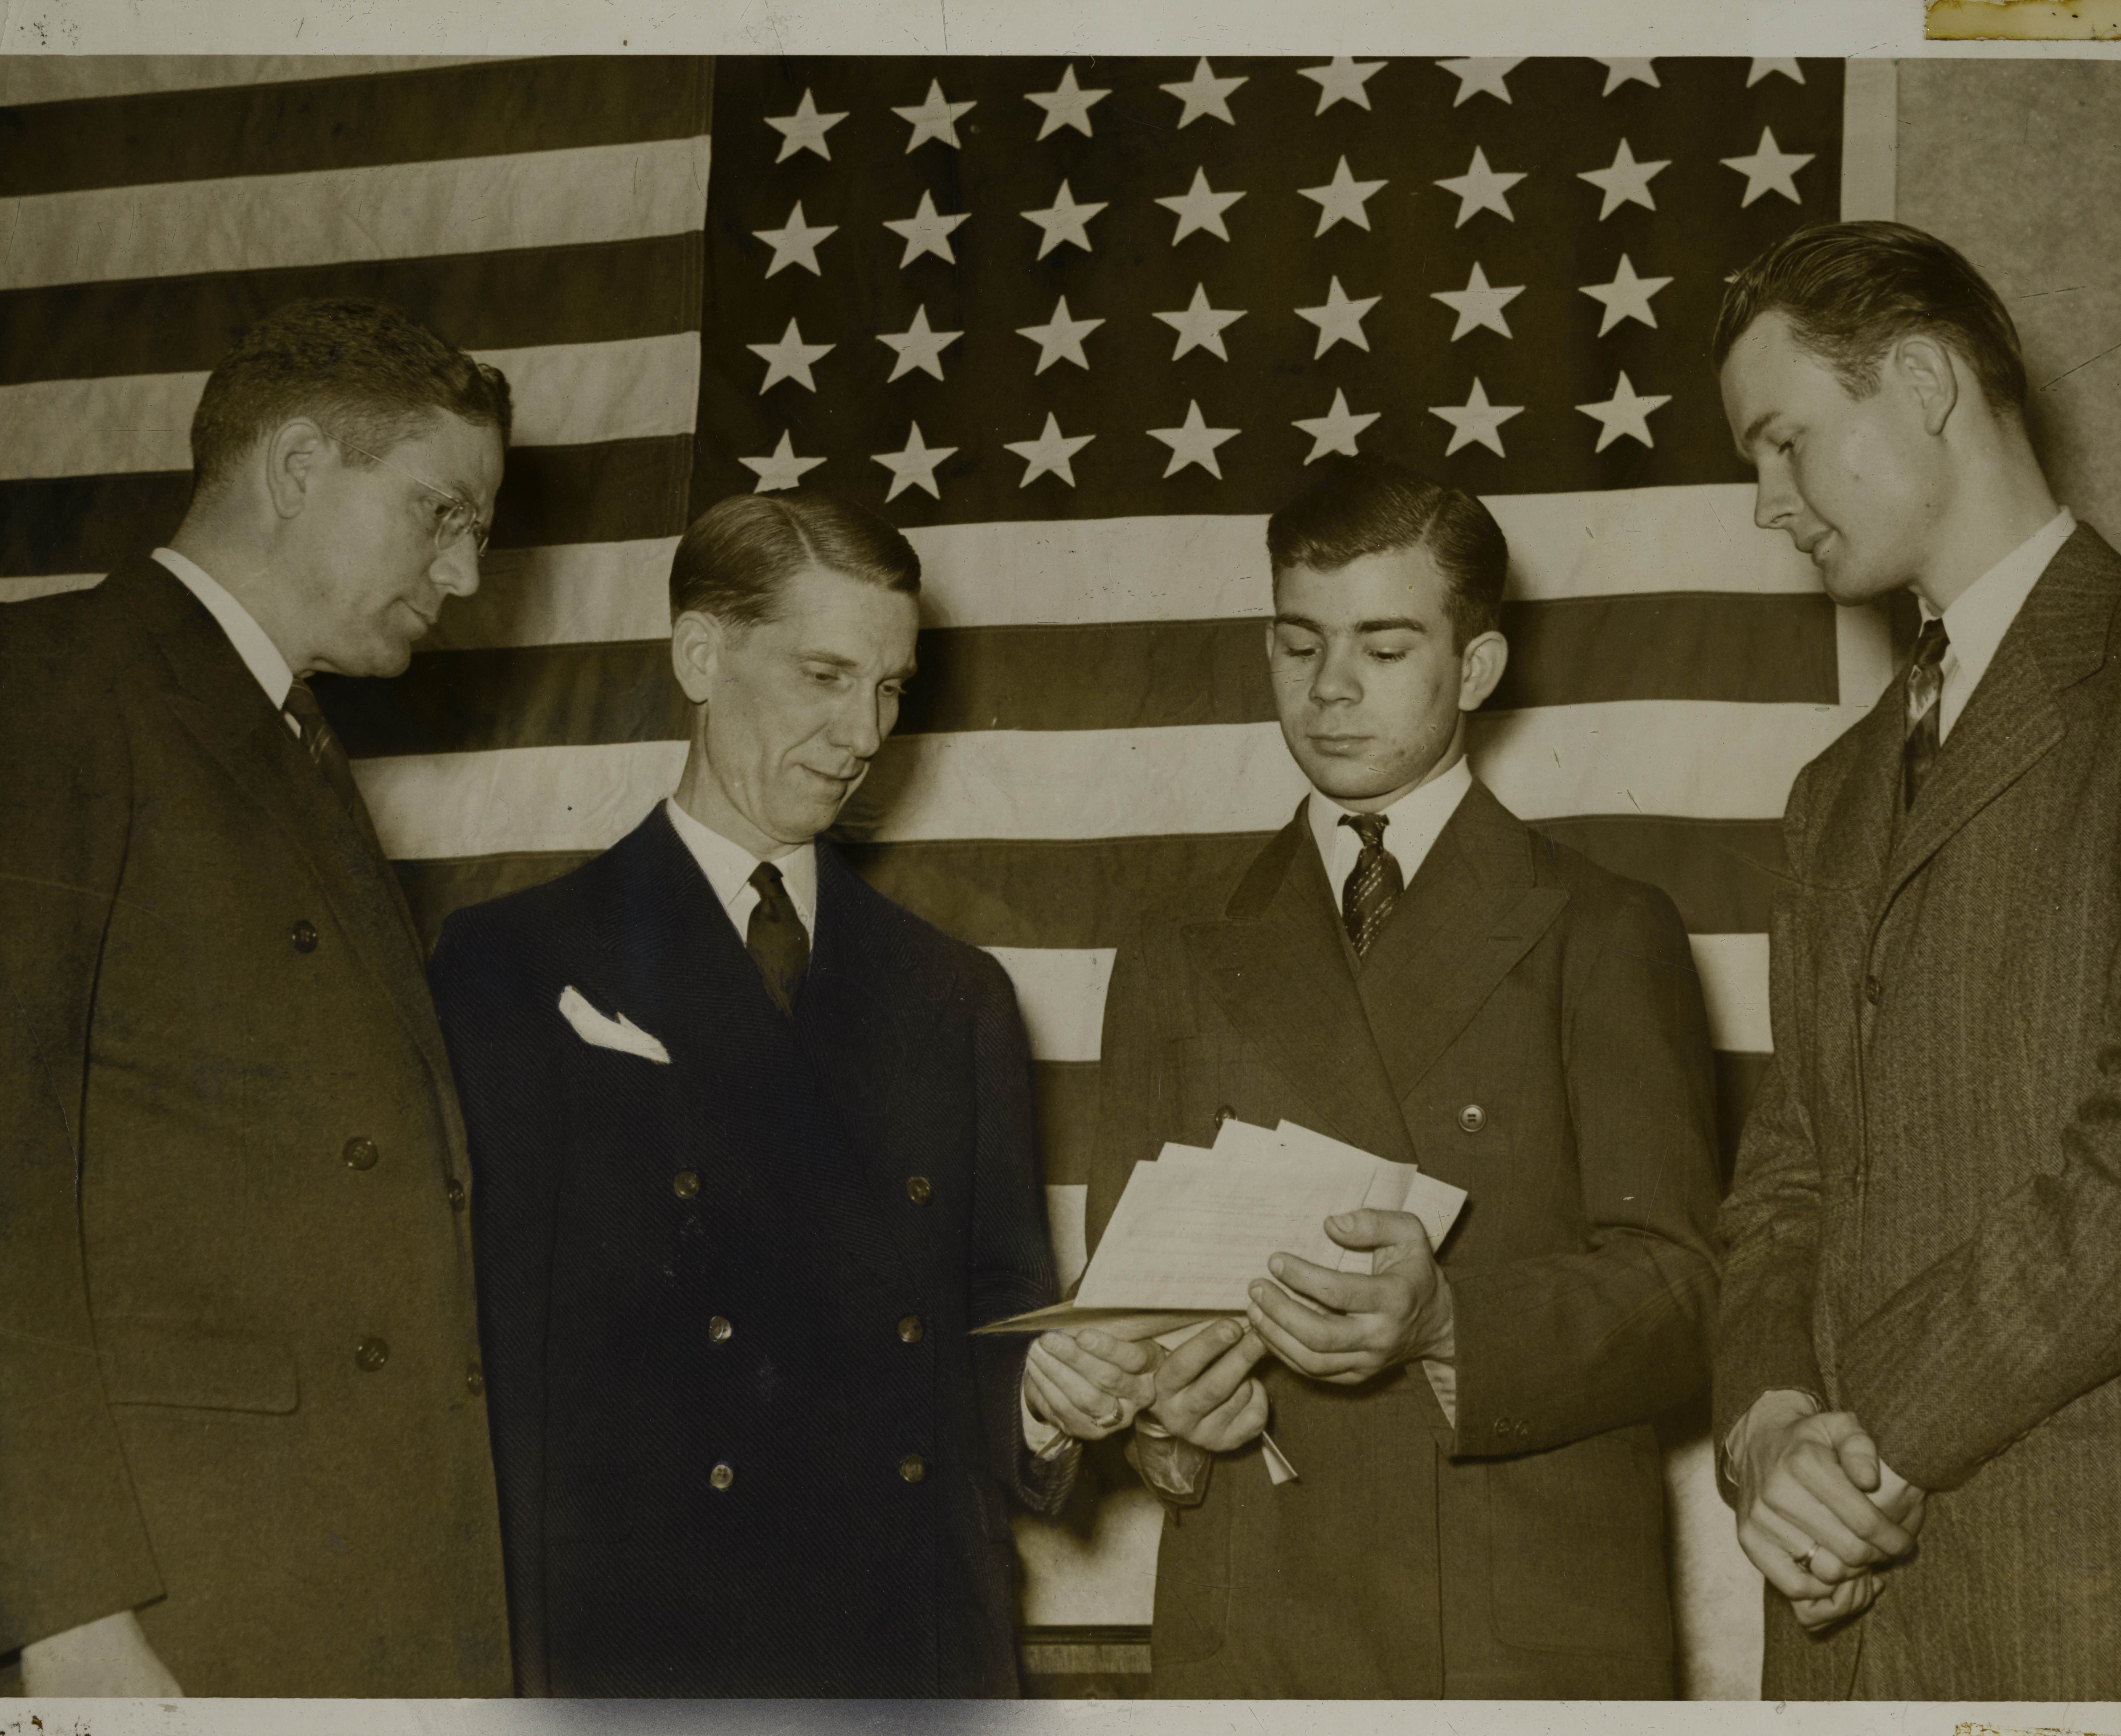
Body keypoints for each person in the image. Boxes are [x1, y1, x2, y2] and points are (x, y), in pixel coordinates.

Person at [1056, 456, 1723, 1697]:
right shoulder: (1174, 946)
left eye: (1383, 645)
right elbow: (1122, 1310)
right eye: (1297, 642)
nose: (1331, 689)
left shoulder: (1601, 926)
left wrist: (1450, 1322)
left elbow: (1684, 1296)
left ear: (1475, 666)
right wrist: (1161, 1420)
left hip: (1508, 1629)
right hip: (1260, 1617)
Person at [427, 491, 1079, 1698]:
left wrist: (1053, 1394)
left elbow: (998, 1313)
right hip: (649, 1640)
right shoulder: (513, 963)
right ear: (699, 653)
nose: (863, 731)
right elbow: (483, 1357)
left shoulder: (956, 993)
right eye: (825, 674)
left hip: (912, 1642)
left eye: (891, 687)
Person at [0, 298, 515, 1695]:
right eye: (439, 513)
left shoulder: (294, 737)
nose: (466, 574)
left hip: (357, 1572)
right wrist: (67, 1610)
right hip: (179, 1592)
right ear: (297, 472)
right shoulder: (50, 691)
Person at [1713, 219, 2121, 1699]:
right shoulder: (1829, 795)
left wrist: (1855, 1434)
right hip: (1832, 1638)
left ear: (1922, 381)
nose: (1766, 506)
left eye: (1782, 444)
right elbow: (1783, 1182)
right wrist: (1763, 1427)